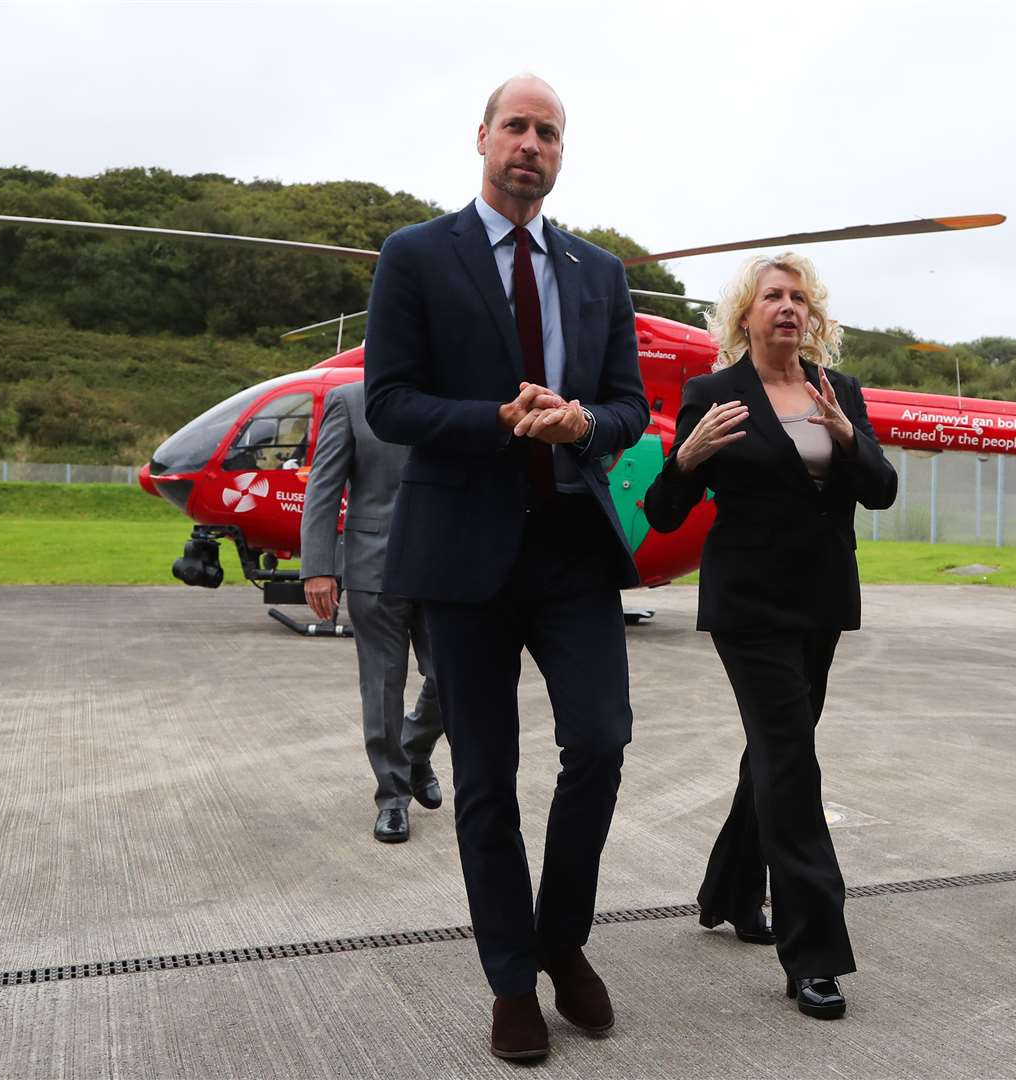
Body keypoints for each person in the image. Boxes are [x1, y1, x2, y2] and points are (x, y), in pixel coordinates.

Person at [363, 74, 648, 1062]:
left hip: (571, 546)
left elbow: (630, 408)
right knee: (486, 780)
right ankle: (512, 978)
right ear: (482, 138)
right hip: (463, 553)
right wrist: (494, 420)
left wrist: (581, 422)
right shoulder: (414, 257)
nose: (532, 144)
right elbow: (390, 402)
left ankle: (561, 935)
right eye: (518, 127)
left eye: (551, 133)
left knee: (603, 744)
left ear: (562, 154)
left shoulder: (597, 271)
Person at [642, 252, 896, 1019]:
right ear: (744, 316)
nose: (786, 307)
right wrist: (686, 456)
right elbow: (661, 510)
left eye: (798, 297)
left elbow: (880, 491)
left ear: (812, 314)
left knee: (773, 753)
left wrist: (849, 438)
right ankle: (813, 951)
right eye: (771, 297)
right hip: (749, 608)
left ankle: (727, 890)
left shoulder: (836, 390)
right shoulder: (713, 395)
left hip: (819, 602)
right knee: (792, 762)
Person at [299, 380, 445, 843]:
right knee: (382, 686)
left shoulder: (452, 393)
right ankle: (393, 798)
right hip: (372, 565)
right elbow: (323, 486)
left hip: (443, 567)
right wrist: (319, 567)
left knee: (452, 677)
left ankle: (414, 749)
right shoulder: (350, 401)